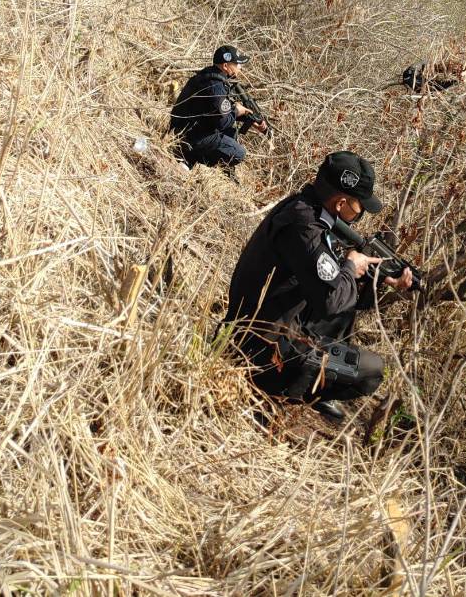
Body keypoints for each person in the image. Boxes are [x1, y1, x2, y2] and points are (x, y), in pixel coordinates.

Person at [222, 151, 415, 422]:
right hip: (262, 347)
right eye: (359, 208)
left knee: (344, 313)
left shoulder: (303, 209)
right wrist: (350, 267)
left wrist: (377, 278)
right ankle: (279, 389)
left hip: (261, 325)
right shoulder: (306, 228)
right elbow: (331, 298)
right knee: (373, 370)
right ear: (340, 203)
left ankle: (304, 381)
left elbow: (338, 293)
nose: (359, 216)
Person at [170, 45, 267, 171]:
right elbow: (222, 121)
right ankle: (188, 157)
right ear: (225, 66)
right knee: (238, 153)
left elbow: (218, 111)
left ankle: (187, 157)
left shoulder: (209, 75)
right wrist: (237, 111)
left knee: (231, 133)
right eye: (236, 64)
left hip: (183, 129)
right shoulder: (216, 86)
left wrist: (251, 121)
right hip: (188, 136)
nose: (240, 67)